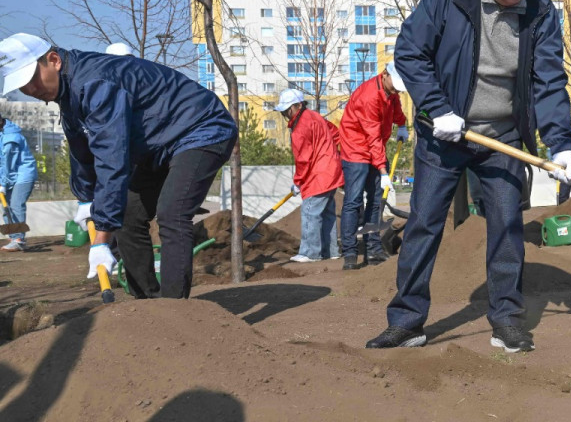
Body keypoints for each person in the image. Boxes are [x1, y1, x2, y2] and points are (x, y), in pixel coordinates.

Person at [369, 0, 571, 354]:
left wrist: (561, 142)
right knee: (424, 224)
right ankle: (407, 321)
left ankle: (506, 320)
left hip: (502, 137)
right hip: (443, 137)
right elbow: (409, 52)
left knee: (506, 227)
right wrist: (436, 107)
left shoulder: (540, 12)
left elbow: (549, 81)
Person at [0, 33, 236, 298]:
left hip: (201, 128)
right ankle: (147, 303)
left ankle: (173, 308)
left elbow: (111, 156)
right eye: (22, 86)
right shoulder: (68, 95)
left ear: (53, 60)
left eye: (32, 79)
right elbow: (82, 153)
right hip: (158, 144)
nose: (31, 90)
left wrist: (101, 239)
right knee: (128, 215)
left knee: (172, 212)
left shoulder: (95, 82)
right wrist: (85, 199)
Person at [338, 62, 407, 270]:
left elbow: (395, 109)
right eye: (394, 85)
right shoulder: (368, 96)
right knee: (353, 201)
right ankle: (350, 253)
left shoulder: (391, 92)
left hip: (373, 149)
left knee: (376, 201)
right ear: (384, 74)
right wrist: (383, 170)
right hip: (355, 150)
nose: (395, 90)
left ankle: (374, 249)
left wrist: (402, 124)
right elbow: (373, 136)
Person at [275, 88, 343, 263]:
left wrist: (298, 182)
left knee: (310, 211)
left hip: (319, 175)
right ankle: (331, 251)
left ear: (298, 105)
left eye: (287, 110)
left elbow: (303, 159)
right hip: (331, 170)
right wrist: (330, 152)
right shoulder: (315, 116)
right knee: (327, 213)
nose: (285, 114)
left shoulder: (300, 128)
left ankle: (310, 253)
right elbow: (335, 133)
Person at [0, 117, 37, 251]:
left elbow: (8, 165)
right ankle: (13, 236)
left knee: (16, 205)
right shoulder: (3, 133)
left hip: (23, 175)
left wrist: (3, 183)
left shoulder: (11, 139)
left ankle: (19, 239)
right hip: (11, 175)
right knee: (6, 207)